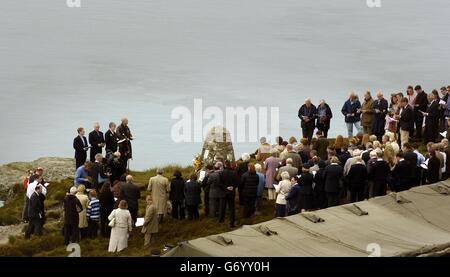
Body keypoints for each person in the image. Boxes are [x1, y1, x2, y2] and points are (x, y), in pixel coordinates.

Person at [221, 161, 238, 227]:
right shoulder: (234, 173)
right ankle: (232, 223)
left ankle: (221, 221)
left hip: (224, 192)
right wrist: (233, 187)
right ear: (230, 165)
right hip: (231, 192)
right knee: (231, 207)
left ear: (224, 165)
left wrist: (226, 187)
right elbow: (237, 182)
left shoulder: (221, 173)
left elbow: (219, 183)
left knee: (223, 207)